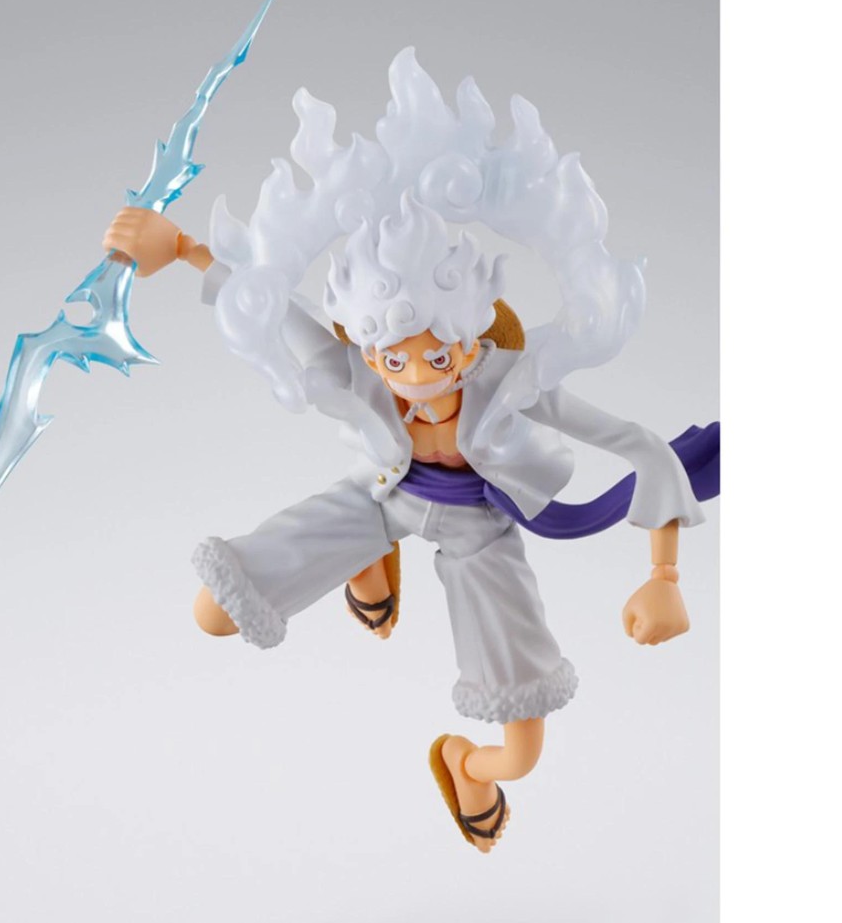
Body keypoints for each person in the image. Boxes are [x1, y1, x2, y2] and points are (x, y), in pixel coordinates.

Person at [103, 190, 710, 853]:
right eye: (395, 360)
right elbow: (271, 306)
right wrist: (183, 247)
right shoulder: (357, 367)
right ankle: (368, 556)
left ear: (469, 344)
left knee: (521, 751)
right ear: (371, 353)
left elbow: (641, 446)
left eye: (438, 357)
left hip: (478, 529)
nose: (417, 375)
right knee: (215, 611)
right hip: (378, 496)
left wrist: (664, 574)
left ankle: (464, 766)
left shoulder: (514, 381)